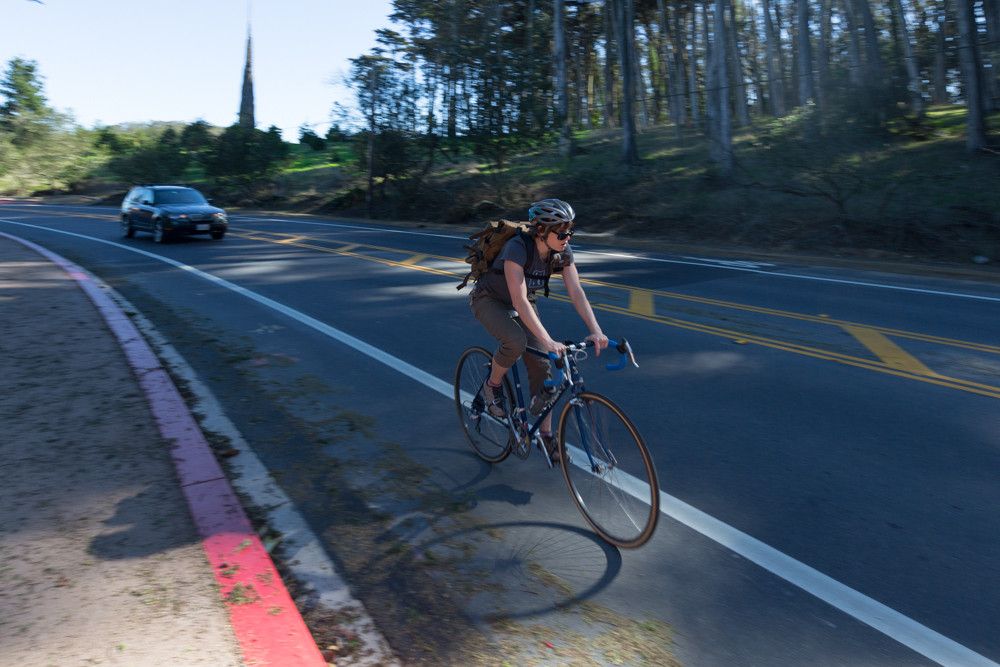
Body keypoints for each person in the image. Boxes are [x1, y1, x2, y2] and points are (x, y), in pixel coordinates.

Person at [468, 198, 608, 462]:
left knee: (544, 366)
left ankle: (545, 435)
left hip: (522, 301)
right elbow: (519, 300)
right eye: (562, 231)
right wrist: (548, 339)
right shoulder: (517, 247)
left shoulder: (563, 252)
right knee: (515, 341)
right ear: (542, 230)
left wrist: (596, 330)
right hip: (489, 299)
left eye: (570, 231)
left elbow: (576, 292)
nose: (568, 237)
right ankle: (492, 385)